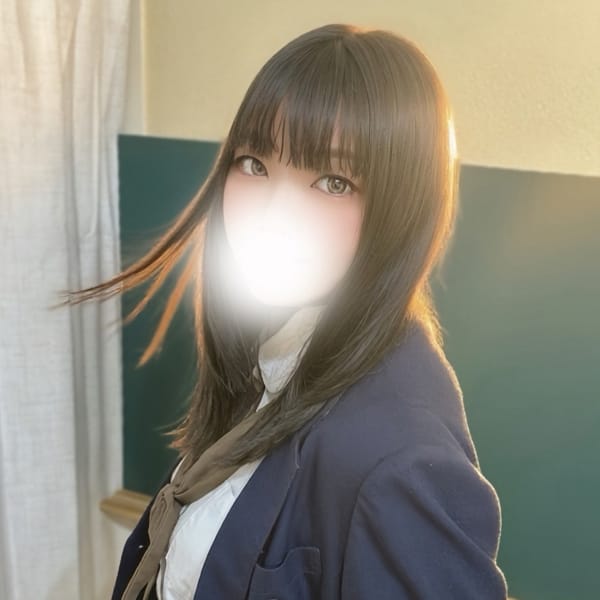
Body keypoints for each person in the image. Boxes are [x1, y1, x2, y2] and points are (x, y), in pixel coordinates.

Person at [64, 22, 509, 600]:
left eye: (333, 182)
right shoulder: (267, 364)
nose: (273, 213)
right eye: (254, 164)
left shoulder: (398, 458)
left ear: (401, 211)